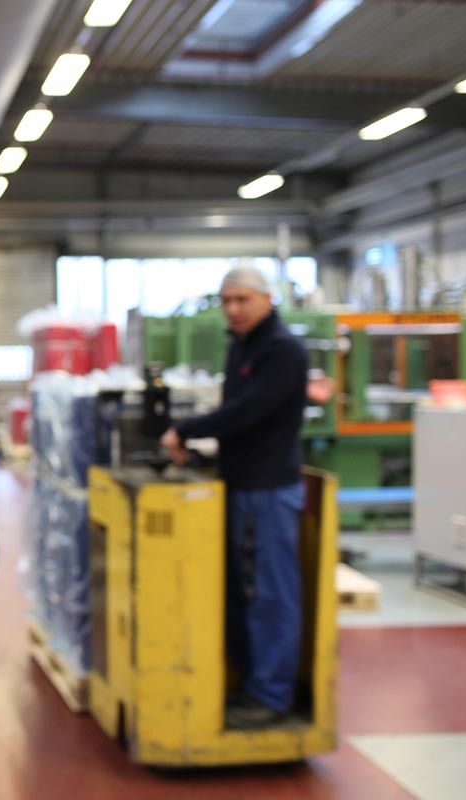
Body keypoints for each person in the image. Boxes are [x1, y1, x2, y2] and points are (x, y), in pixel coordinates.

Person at [160, 266, 309, 730]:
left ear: (267, 299)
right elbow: (235, 413)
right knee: (245, 594)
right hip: (242, 485)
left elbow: (248, 413)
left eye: (242, 299)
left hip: (269, 489)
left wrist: (186, 429)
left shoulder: (283, 350)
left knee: (271, 595)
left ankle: (272, 696)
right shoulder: (243, 345)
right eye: (226, 301)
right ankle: (254, 683)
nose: (233, 309)